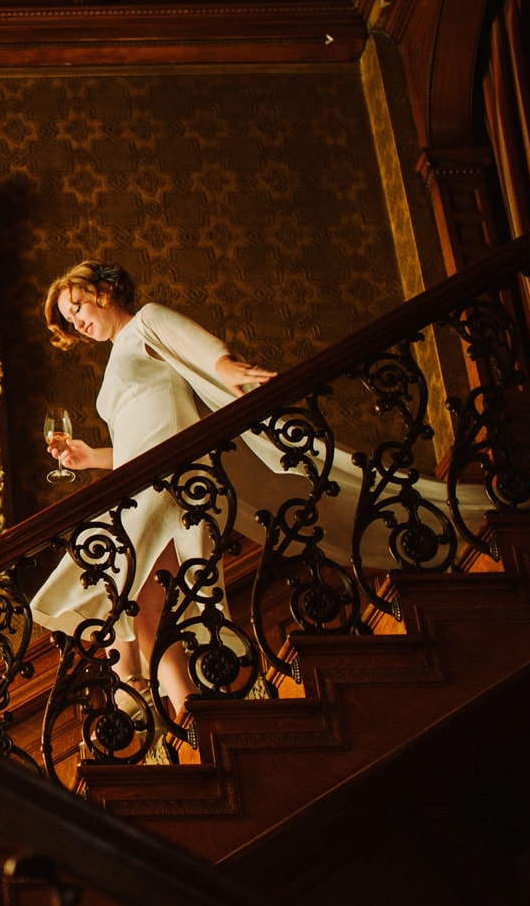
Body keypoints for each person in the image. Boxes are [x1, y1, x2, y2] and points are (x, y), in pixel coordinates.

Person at [32, 259, 492, 720]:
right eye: (70, 320)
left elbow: (195, 343)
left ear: (104, 293)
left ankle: (155, 691)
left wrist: (227, 368)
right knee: (139, 600)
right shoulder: (115, 359)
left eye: (77, 306)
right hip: (140, 477)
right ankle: (188, 710)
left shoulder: (146, 321)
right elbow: (135, 440)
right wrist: (91, 457)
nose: (78, 322)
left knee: (122, 581)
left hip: (173, 474)